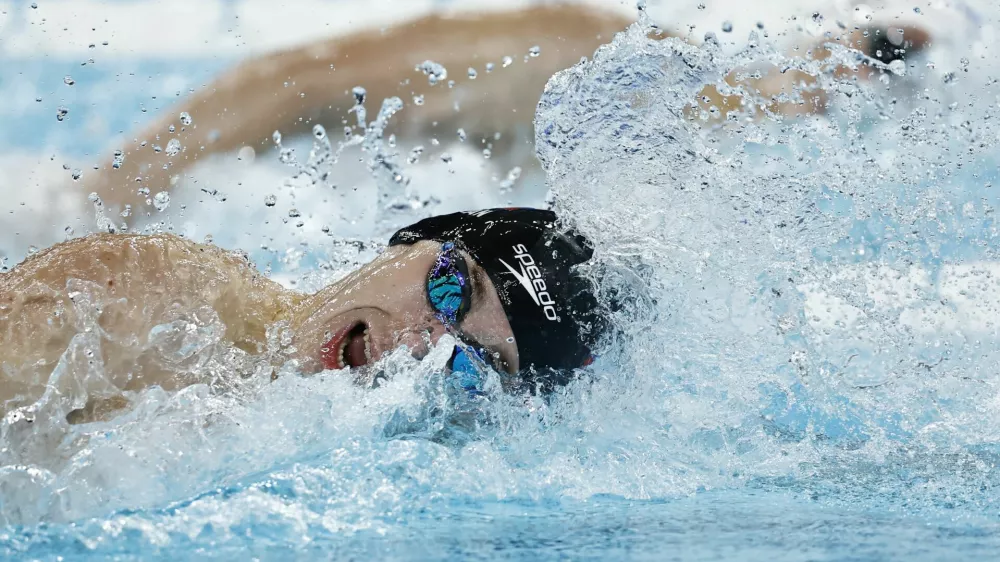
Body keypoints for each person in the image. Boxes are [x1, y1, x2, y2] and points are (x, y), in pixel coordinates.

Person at [0, 208, 608, 424]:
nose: (424, 344)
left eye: (473, 362)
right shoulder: (144, 302)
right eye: (450, 289)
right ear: (414, 238)